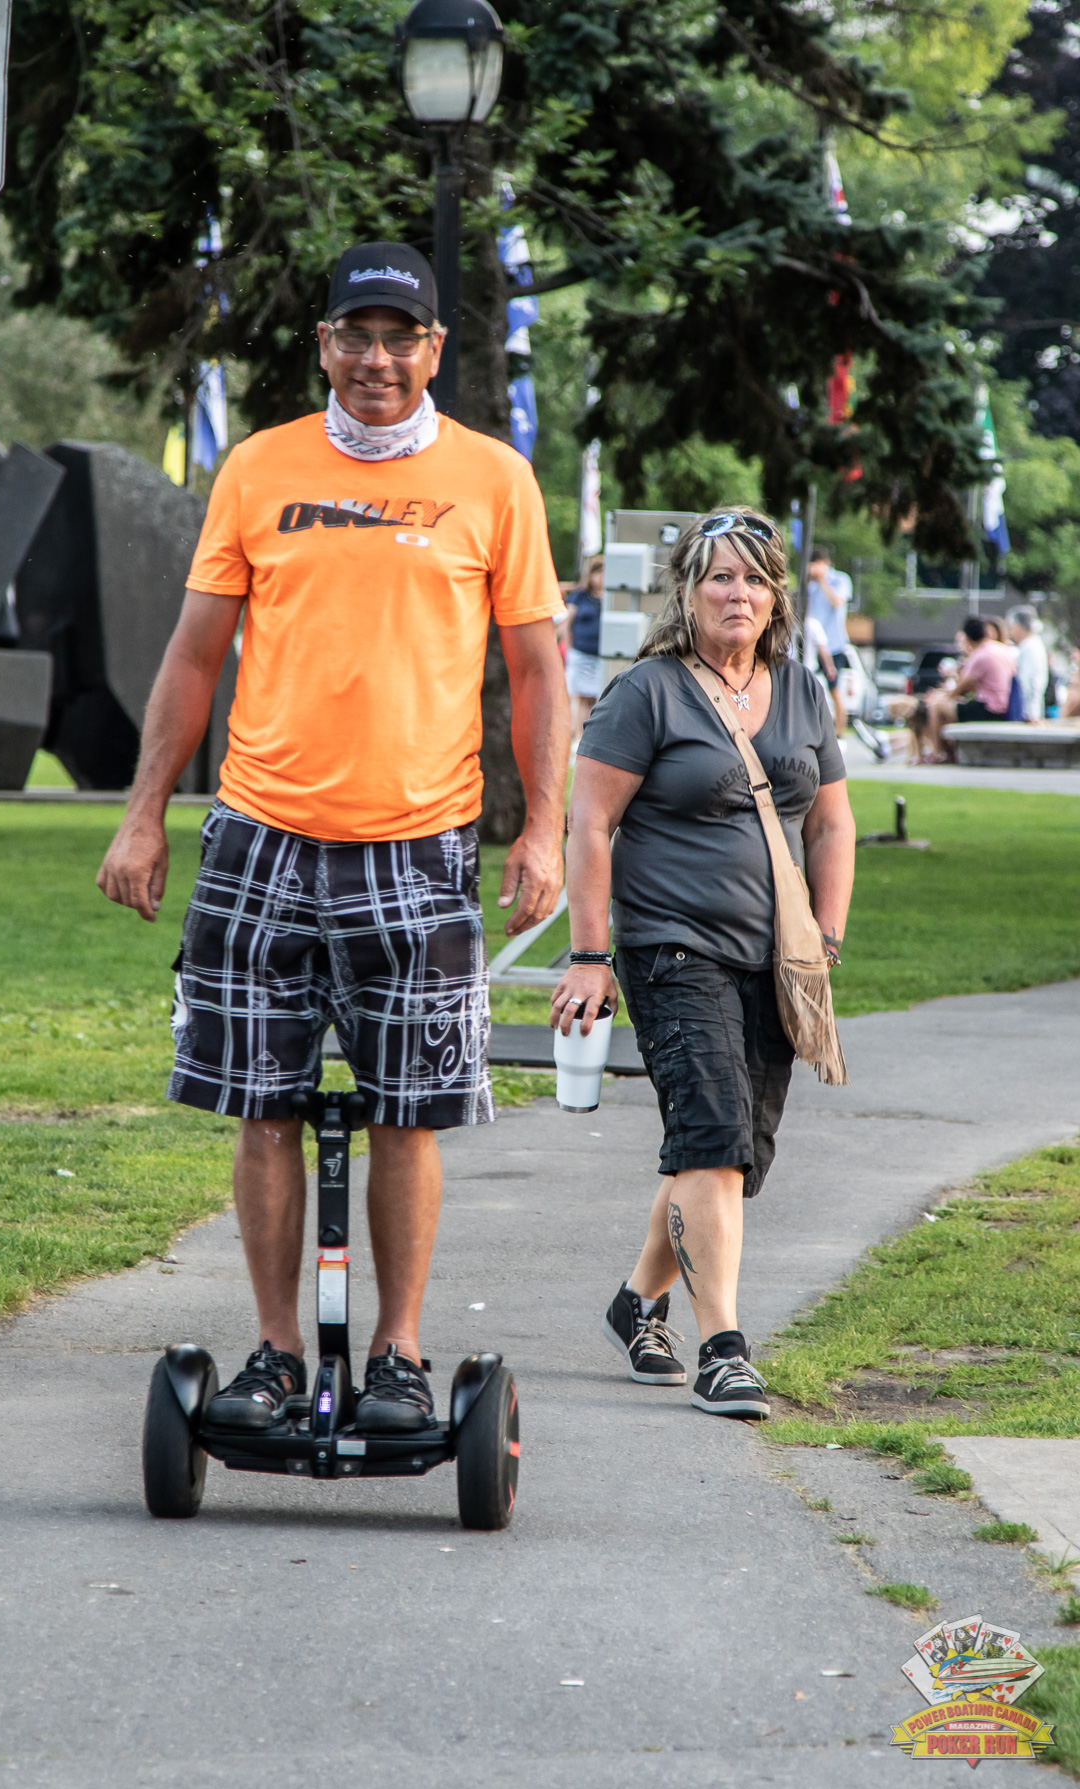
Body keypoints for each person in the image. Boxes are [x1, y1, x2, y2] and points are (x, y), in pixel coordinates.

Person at [97, 241, 569, 1435]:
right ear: (324, 345)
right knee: (263, 1106)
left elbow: (536, 671)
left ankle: (399, 1357)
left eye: (400, 339)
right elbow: (194, 656)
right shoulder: (260, 467)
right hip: (260, 840)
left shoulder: (495, 480)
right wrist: (144, 814)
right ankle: (273, 1354)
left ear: (435, 351)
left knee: (409, 1111)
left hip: (418, 846)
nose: (377, 359)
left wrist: (545, 830)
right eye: (356, 336)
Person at [553, 508, 855, 1419]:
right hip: (672, 948)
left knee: (730, 1152)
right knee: (716, 1133)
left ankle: (636, 1302)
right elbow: (590, 824)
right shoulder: (646, 693)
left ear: (777, 597)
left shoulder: (799, 689)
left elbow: (830, 822)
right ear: (686, 593)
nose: (739, 593)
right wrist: (589, 956)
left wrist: (826, 936)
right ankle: (723, 1348)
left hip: (777, 957)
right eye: (720, 576)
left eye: (756, 578)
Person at [926, 615, 1014, 757]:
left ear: (967, 638)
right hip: (1005, 705)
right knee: (951, 705)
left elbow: (960, 688)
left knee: (937, 706)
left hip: (990, 710)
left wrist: (942, 695)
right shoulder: (1000, 649)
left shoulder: (980, 654)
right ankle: (950, 751)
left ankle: (939, 754)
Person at [804, 545, 851, 736]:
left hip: (834, 645)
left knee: (835, 690)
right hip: (814, 646)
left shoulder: (840, 579)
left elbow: (837, 602)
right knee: (807, 687)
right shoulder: (810, 585)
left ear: (826, 563)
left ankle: (839, 732)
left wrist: (822, 579)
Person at [564, 554, 605, 744]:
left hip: (600, 656)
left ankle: (592, 738)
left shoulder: (610, 597)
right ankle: (577, 736)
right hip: (580, 653)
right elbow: (567, 623)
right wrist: (568, 648)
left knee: (598, 697)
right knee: (578, 696)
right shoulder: (579, 596)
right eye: (598, 573)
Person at [1007, 606, 1049, 722]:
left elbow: (1028, 684)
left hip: (1028, 713)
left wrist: (1030, 714)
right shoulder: (1033, 644)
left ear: (1018, 626)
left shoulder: (1029, 648)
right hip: (1033, 710)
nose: (1010, 632)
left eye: (1011, 628)